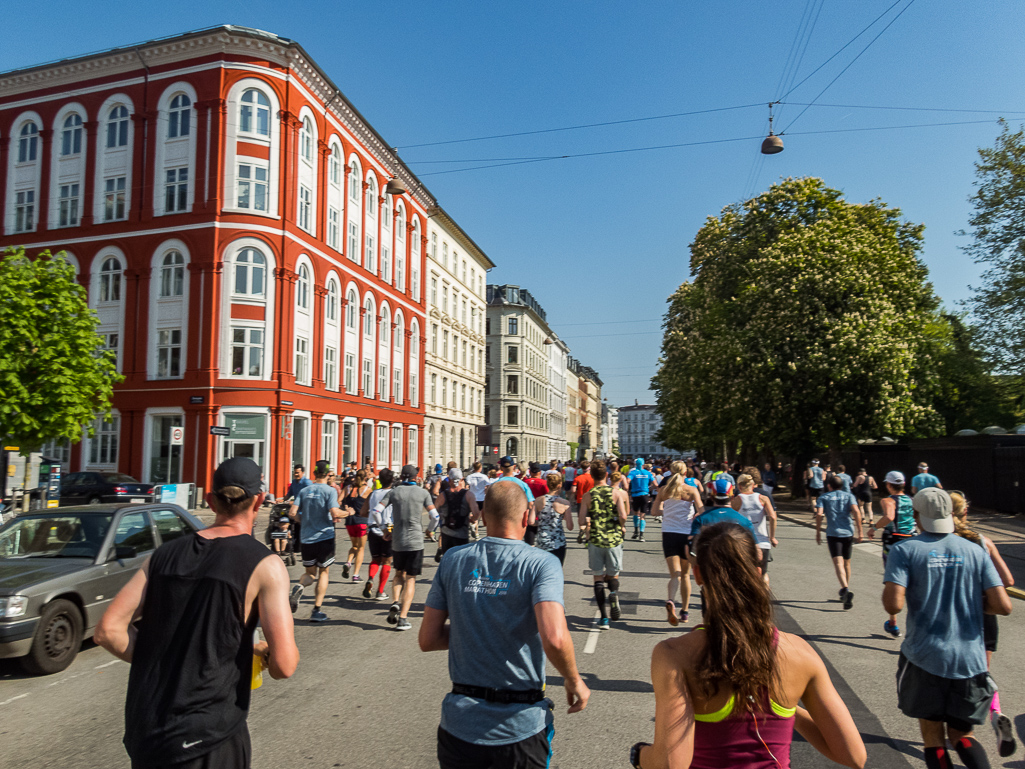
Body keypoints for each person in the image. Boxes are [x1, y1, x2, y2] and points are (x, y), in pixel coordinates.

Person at [95, 457, 300, 769]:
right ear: (259, 501)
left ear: (210, 500)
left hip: (148, 730)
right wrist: (261, 654)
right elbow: (284, 665)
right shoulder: (265, 565)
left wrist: (167, 660)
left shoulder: (163, 554)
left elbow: (108, 631)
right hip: (208, 735)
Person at [630, 522, 866, 769]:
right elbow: (853, 756)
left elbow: (670, 764)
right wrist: (786, 710)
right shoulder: (800, 652)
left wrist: (639, 755)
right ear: (756, 571)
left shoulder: (673, 655)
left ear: (698, 575)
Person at [419, 481, 590, 768]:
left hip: (459, 724)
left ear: (483, 518)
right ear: (527, 517)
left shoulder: (452, 559)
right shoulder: (541, 563)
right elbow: (555, 637)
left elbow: (428, 638)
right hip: (519, 725)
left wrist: (477, 627)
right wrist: (574, 680)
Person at [883, 487, 1012, 769]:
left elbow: (893, 605)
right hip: (970, 659)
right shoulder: (975, 549)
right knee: (963, 734)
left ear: (916, 514)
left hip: (925, 657)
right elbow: (1003, 606)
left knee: (933, 736)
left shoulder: (905, 550)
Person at [950, 491, 1017, 757]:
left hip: (955, 617)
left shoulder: (943, 542)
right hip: (984, 616)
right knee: (981, 674)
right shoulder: (983, 541)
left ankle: (961, 732)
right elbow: (1008, 581)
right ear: (966, 512)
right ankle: (995, 714)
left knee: (951, 676)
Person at [373, 464, 437, 631]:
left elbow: (375, 511)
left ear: (401, 477)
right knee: (411, 578)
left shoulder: (393, 492)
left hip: (398, 539)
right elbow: (435, 516)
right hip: (415, 540)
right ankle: (403, 618)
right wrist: (430, 530)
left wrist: (384, 530)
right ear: (416, 477)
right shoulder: (423, 493)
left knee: (398, 574)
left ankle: (395, 601)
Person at [288, 464, 344, 622]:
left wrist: (304, 521)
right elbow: (334, 512)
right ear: (328, 474)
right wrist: (348, 513)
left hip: (307, 538)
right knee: (323, 573)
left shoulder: (305, 491)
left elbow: (292, 512)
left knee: (310, 573)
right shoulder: (330, 491)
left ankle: (300, 586)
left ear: (314, 473)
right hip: (324, 537)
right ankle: (316, 610)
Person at [650, 461, 704, 626]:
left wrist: (667, 512)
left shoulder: (664, 491)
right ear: (685, 473)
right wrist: (693, 516)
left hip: (669, 533)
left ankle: (671, 600)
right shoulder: (691, 490)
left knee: (675, 575)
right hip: (687, 535)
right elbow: (701, 511)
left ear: (669, 472)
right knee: (686, 575)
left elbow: (653, 511)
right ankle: (685, 611)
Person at [580, 461, 629, 628]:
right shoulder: (616, 493)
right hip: (614, 539)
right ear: (606, 475)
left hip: (595, 539)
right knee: (613, 574)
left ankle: (604, 618)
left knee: (598, 577)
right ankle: (614, 592)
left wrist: (589, 521)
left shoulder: (588, 495)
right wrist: (620, 525)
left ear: (592, 476)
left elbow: (581, 520)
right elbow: (623, 515)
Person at [868, 471, 916, 638]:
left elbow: (889, 516)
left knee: (893, 579)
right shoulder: (911, 500)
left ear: (889, 485)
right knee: (912, 579)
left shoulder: (888, 500)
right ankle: (915, 621)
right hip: (912, 540)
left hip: (893, 541)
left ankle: (893, 622)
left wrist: (874, 528)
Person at [815, 475, 863, 610]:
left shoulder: (823, 497)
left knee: (838, 562)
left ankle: (845, 589)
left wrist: (818, 531)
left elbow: (819, 514)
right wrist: (860, 531)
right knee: (847, 562)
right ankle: (845, 591)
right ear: (842, 485)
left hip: (833, 532)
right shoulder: (849, 496)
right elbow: (856, 511)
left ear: (829, 486)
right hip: (848, 532)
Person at [730, 473, 777, 583]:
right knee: (763, 574)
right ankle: (764, 597)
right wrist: (772, 537)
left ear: (739, 486)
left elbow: (730, 519)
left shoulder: (737, 500)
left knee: (745, 574)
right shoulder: (763, 498)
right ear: (752, 485)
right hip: (763, 542)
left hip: (744, 543)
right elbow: (773, 517)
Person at [364, 468, 395, 600]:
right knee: (387, 561)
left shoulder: (373, 494)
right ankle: (380, 591)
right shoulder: (394, 494)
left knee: (375, 559)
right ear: (392, 480)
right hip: (388, 528)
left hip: (373, 528)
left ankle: (371, 578)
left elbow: (363, 511)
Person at [435, 468, 480, 561]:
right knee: (461, 562)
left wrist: (442, 516)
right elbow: (476, 513)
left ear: (449, 480)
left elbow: (433, 513)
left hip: (446, 534)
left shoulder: (442, 495)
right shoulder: (469, 495)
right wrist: (471, 519)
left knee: (447, 561)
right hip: (462, 534)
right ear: (461, 479)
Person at [533, 471, 574, 564]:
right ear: (559, 485)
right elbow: (570, 527)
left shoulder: (538, 500)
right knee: (557, 569)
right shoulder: (564, 503)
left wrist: (541, 523)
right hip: (557, 543)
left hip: (542, 542)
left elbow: (531, 521)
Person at [341, 469, 372, 583]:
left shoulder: (347, 488)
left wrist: (346, 508)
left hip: (350, 522)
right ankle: (355, 575)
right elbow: (372, 505)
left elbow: (339, 501)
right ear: (365, 478)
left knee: (354, 546)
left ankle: (348, 562)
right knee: (361, 548)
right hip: (362, 521)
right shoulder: (367, 490)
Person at [627, 457, 657, 541]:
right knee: (643, 515)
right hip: (644, 494)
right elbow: (655, 484)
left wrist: (627, 490)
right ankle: (641, 535)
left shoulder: (632, 473)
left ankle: (635, 531)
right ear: (643, 465)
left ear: (636, 464)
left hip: (635, 494)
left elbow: (627, 481)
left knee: (636, 513)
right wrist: (650, 488)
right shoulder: (647, 473)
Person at [465, 461, 490, 539]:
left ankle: (476, 532)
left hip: (472, 497)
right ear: (480, 468)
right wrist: (485, 491)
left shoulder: (469, 477)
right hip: (481, 498)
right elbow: (488, 486)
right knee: (478, 515)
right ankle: (474, 527)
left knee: (473, 513)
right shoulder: (484, 477)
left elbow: (467, 486)